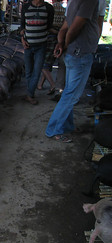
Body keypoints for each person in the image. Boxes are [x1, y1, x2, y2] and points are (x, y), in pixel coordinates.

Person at [45, 0, 105, 143]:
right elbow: (74, 29)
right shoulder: (88, 1)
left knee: (69, 93)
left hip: (74, 54)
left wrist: (61, 43)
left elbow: (64, 29)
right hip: (80, 54)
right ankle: (54, 130)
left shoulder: (73, 2)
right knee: (71, 95)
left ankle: (67, 126)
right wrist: (64, 44)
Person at [20, 0, 54, 105]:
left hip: (41, 46)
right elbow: (22, 27)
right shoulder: (26, 7)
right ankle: (30, 93)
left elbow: (49, 26)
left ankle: (29, 95)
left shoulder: (48, 8)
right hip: (28, 45)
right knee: (29, 71)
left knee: (37, 71)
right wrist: (22, 39)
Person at [37, 0, 66, 96]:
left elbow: (47, 25)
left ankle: (53, 85)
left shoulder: (50, 8)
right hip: (60, 38)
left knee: (42, 63)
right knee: (48, 62)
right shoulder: (65, 9)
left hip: (50, 37)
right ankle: (40, 85)